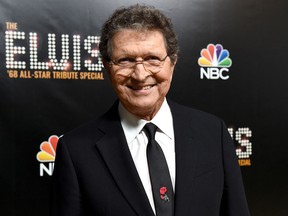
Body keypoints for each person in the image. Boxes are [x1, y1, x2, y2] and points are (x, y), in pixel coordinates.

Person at [51, 4, 250, 216]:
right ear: (107, 67)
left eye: (152, 59)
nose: (140, 74)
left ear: (172, 63)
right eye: (125, 60)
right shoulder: (75, 151)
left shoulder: (213, 133)